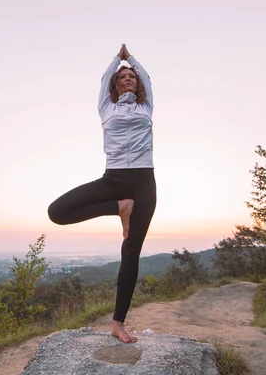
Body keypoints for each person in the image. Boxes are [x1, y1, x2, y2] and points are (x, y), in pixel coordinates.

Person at [48, 44, 156, 343]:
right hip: (114, 179)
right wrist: (117, 60)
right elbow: (105, 77)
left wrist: (131, 59)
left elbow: (146, 77)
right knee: (57, 212)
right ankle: (119, 207)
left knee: (131, 252)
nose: (128, 78)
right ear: (114, 83)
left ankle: (118, 323)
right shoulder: (106, 107)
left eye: (131, 76)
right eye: (122, 77)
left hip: (144, 183)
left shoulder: (146, 107)